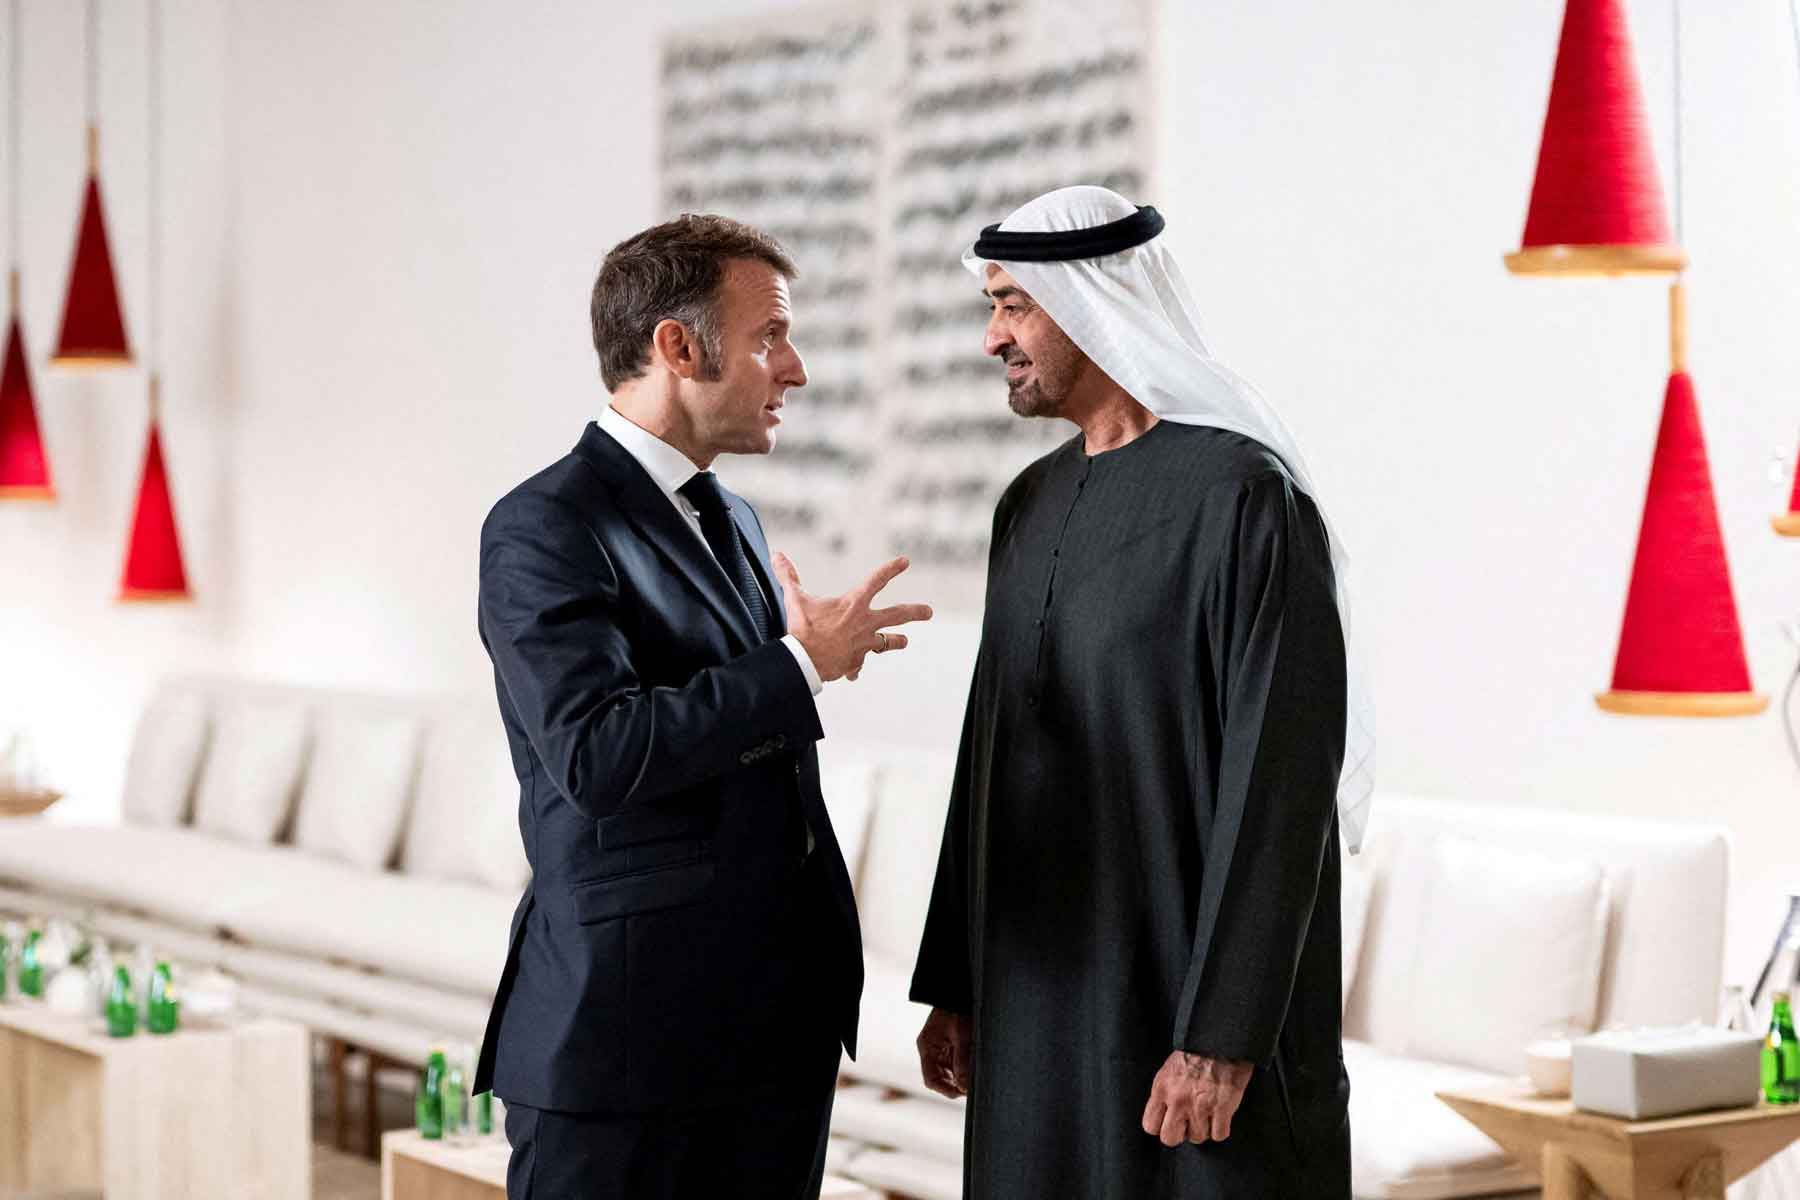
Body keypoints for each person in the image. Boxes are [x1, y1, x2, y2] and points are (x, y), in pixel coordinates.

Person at [909, 185, 1374, 1198]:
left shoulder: (1245, 499)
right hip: (1038, 1010)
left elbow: (1281, 785)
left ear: (1092, 306)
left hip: (1182, 1013)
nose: (993, 338)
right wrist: (958, 984)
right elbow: (990, 754)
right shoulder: (1026, 506)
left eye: (1012, 305)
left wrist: (1222, 1033)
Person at [472, 214, 932, 1199]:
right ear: (678, 347)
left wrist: (790, 663)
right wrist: (797, 668)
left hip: (770, 1041)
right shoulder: (543, 525)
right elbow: (599, 755)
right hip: (627, 1051)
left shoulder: (737, 515)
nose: (795, 369)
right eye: (770, 336)